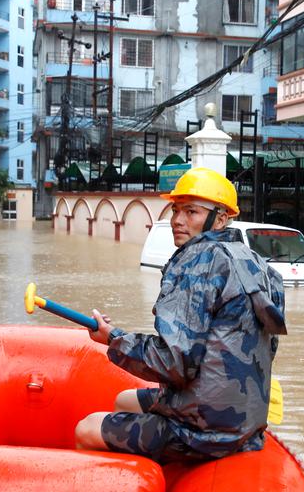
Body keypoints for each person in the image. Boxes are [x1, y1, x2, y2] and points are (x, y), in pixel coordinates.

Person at [74, 167, 287, 462]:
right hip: (245, 423)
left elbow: (174, 362)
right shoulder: (258, 264)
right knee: (123, 400)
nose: (177, 220)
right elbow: (268, 347)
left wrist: (113, 338)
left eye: (191, 212)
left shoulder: (197, 262)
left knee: (86, 428)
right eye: (176, 210)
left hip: (204, 430)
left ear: (222, 218)